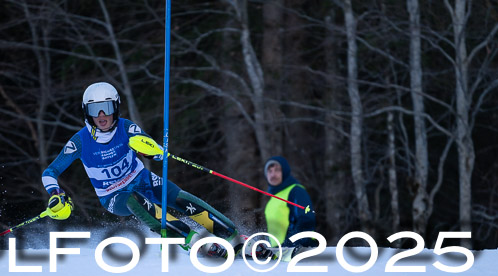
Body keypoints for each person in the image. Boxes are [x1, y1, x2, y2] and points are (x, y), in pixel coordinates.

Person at [41, 82, 267, 258]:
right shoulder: (79, 142)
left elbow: (149, 146)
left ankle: (235, 238)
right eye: (95, 110)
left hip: (143, 179)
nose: (101, 116)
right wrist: (55, 194)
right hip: (114, 196)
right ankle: (193, 241)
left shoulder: (127, 127)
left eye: (107, 108)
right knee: (135, 200)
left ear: (116, 108)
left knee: (181, 199)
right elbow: (49, 173)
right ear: (86, 112)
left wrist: (156, 152)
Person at [263, 156, 316, 250]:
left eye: (277, 170)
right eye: (269, 171)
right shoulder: (272, 200)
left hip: (300, 249)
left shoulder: (296, 191)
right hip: (280, 253)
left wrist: (290, 244)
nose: (273, 174)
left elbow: (307, 219)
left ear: (285, 171)